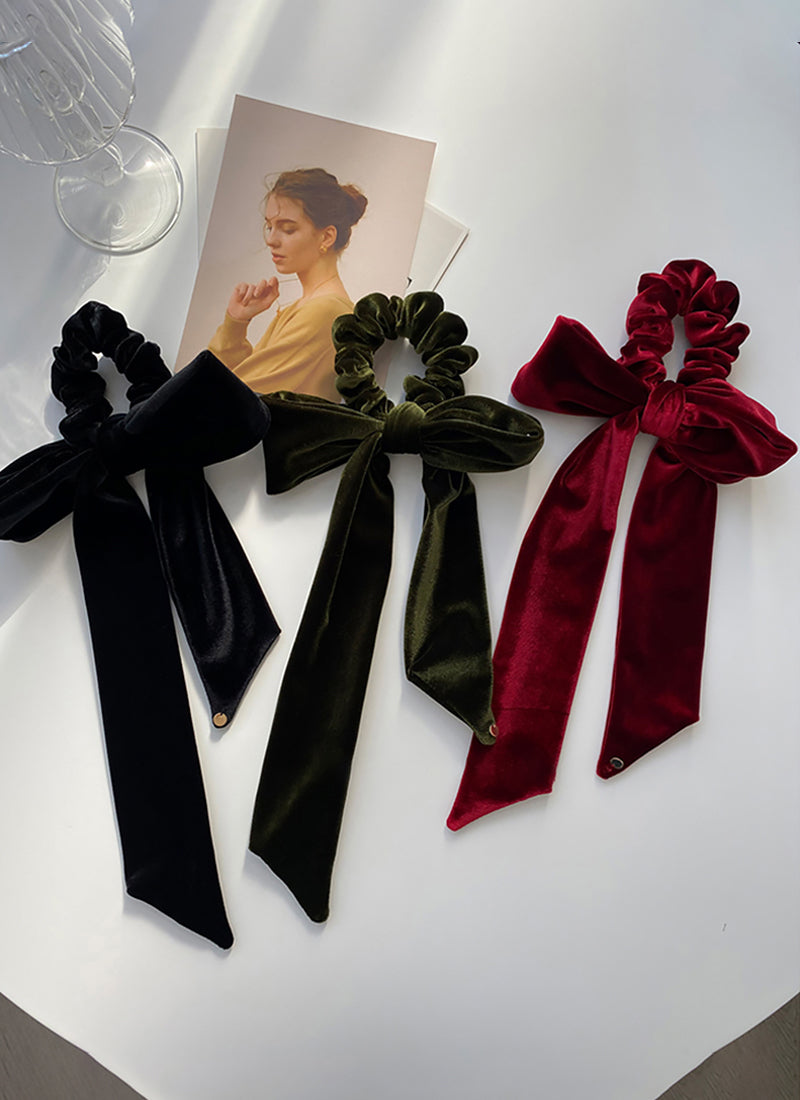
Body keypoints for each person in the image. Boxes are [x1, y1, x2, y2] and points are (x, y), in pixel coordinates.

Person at [208, 168, 367, 402]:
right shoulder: (307, 307)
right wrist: (236, 323)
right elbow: (233, 386)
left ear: (326, 237)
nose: (271, 240)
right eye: (269, 227)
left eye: (288, 229)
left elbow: (229, 398)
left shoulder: (324, 312)